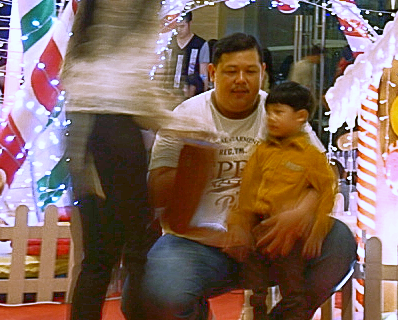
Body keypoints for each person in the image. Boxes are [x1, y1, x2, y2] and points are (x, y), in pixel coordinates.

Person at [140, 32, 355, 320]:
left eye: (250, 71)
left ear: (263, 73)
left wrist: (302, 211)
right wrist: (192, 169)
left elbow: (324, 172)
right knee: (160, 295)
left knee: (339, 243)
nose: (241, 79)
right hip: (197, 244)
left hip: (270, 240)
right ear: (212, 73)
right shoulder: (186, 117)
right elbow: (157, 189)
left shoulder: (280, 114)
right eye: (231, 71)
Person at [63, 0, 176, 320]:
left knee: (99, 254)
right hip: (114, 129)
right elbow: (128, 76)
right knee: (141, 244)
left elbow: (77, 67)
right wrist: (176, 121)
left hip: (82, 128)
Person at [227, 82, 337, 320]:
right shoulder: (261, 151)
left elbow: (326, 191)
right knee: (256, 291)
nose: (271, 118)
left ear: (300, 117)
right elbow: (246, 190)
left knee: (293, 292)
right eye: (268, 112)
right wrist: (240, 224)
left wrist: (317, 230)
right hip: (259, 228)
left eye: (278, 112)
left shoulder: (311, 156)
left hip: (291, 237)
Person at [166, 12, 211, 94]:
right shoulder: (168, 43)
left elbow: (203, 72)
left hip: (190, 92)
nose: (179, 30)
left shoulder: (200, 44)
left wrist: (204, 91)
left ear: (190, 23)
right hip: (168, 91)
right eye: (176, 27)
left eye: (182, 26)